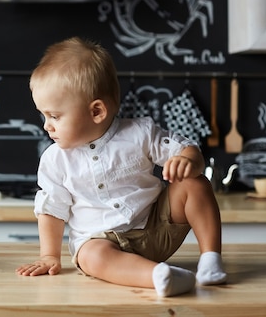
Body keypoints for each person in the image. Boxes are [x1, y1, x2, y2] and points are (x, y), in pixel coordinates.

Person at [16, 37, 227, 297]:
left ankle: (210, 261)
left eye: (55, 116)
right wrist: (49, 255)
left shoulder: (140, 133)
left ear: (96, 112)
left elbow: (186, 147)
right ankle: (159, 276)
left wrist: (188, 161)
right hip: (102, 241)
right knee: (90, 257)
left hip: (156, 228)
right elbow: (52, 210)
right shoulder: (54, 160)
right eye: (44, 116)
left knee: (195, 182)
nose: (46, 125)